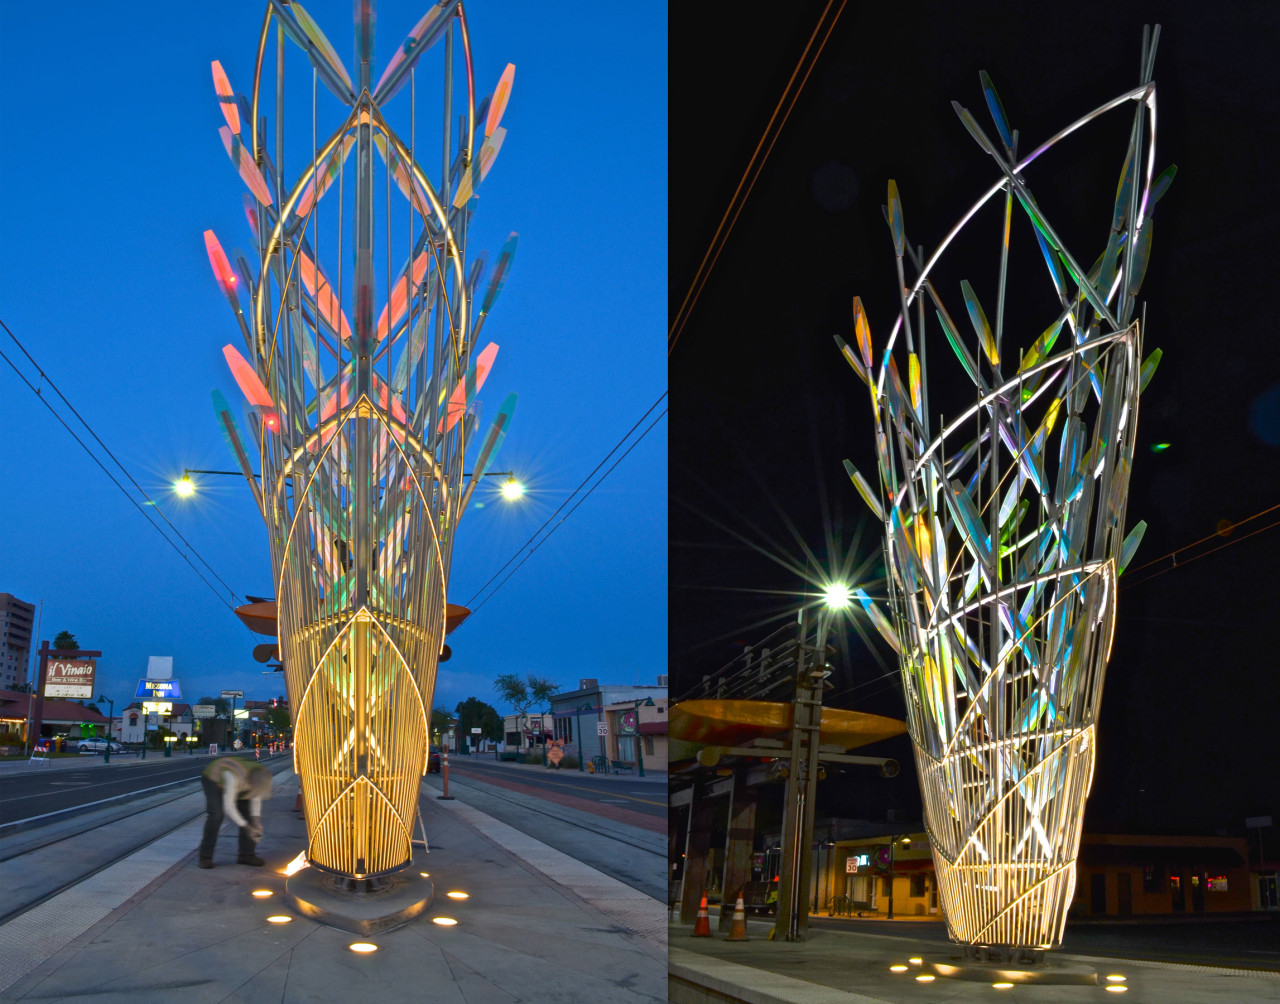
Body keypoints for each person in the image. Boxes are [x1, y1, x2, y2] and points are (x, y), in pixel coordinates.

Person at [199, 755, 272, 867]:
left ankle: (246, 855)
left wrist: (257, 822)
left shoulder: (261, 775)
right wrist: (247, 827)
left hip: (241, 782)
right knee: (216, 815)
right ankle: (205, 857)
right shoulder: (233, 777)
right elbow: (229, 806)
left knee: (248, 815)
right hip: (213, 778)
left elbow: (256, 799)